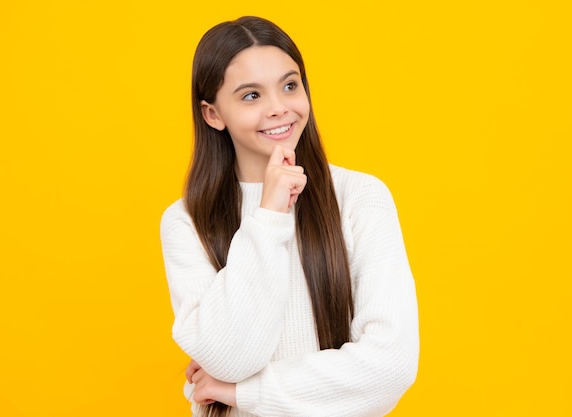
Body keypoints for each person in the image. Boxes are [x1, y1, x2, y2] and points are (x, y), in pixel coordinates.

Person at [160, 16, 419, 417]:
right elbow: (232, 358)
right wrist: (268, 215)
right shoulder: (186, 222)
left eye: (289, 85)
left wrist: (243, 392)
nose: (279, 109)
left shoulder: (360, 197)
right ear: (213, 114)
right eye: (251, 96)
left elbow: (391, 367)